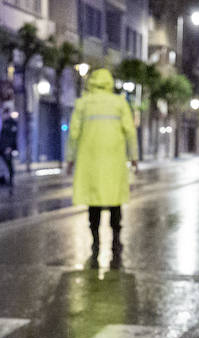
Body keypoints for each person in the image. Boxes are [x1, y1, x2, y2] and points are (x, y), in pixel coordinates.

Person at [66, 68, 139, 265]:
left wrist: (70, 159)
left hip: (89, 161)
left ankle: (96, 242)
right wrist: (134, 157)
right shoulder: (120, 103)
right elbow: (130, 132)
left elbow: (73, 133)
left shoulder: (83, 104)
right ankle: (116, 240)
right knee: (115, 201)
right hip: (114, 161)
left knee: (94, 203)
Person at [0, 111, 19, 191]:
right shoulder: (5, 123)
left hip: (6, 149)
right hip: (3, 148)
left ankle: (10, 180)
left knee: (9, 165)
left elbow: (11, 137)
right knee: (5, 165)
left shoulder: (11, 123)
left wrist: (9, 147)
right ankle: (5, 181)